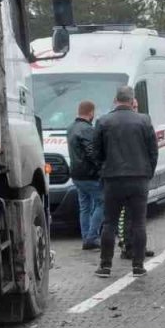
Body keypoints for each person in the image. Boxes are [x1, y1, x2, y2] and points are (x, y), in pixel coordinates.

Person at [92, 86, 156, 278]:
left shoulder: (103, 121)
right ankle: (138, 265)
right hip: (138, 177)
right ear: (132, 100)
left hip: (113, 178)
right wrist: (148, 172)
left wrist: (104, 169)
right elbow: (153, 151)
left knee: (109, 222)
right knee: (138, 223)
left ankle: (105, 265)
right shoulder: (144, 120)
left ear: (116, 99)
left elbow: (96, 152)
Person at [67, 100, 102, 250]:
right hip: (90, 175)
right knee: (103, 203)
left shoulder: (71, 127)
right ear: (91, 113)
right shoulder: (87, 129)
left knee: (85, 207)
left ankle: (86, 236)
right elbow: (92, 153)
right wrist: (101, 168)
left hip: (76, 175)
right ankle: (92, 238)